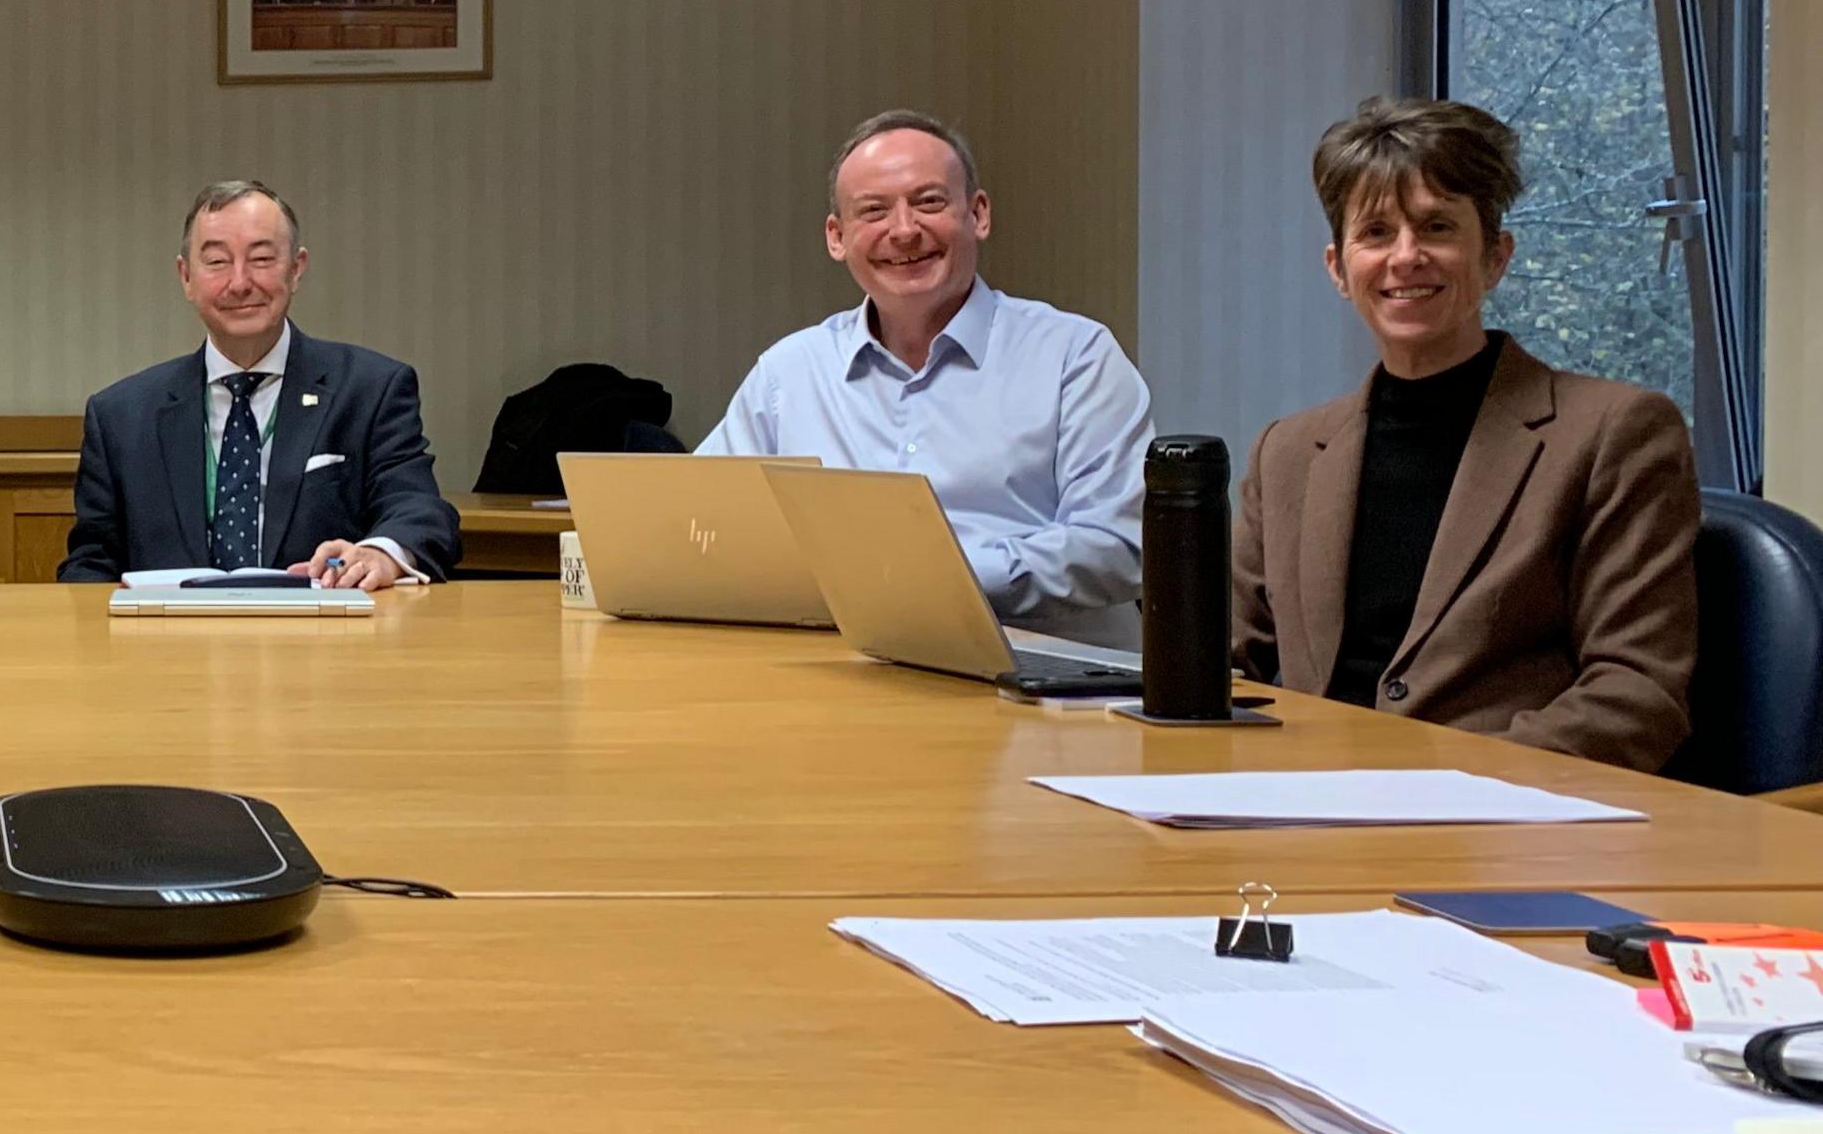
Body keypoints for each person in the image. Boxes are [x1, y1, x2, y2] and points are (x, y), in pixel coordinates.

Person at [1232, 97, 1696, 769]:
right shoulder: (1287, 454)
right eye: (1376, 233)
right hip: (1305, 809)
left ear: (1495, 258)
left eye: (1438, 227)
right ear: (1338, 268)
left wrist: (1437, 784)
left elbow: (1637, 695)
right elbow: (1216, 670)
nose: (1406, 256)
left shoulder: (1614, 434)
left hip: (1497, 823)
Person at [699, 107, 1150, 639]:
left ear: (978, 214)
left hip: (1047, 688)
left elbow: (1119, 543)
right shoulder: (789, 373)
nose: (905, 231)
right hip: (843, 677)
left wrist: (934, 579)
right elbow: (704, 520)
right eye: (873, 211)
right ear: (836, 237)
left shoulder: (1075, 356)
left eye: (929, 202)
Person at [61, 180, 458, 587]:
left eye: (262, 259)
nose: (239, 283)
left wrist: (378, 554)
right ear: (186, 277)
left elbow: (419, 510)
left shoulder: (370, 390)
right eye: (216, 262)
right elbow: (92, 562)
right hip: (169, 643)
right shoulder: (121, 415)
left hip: (324, 642)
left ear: (296, 268)